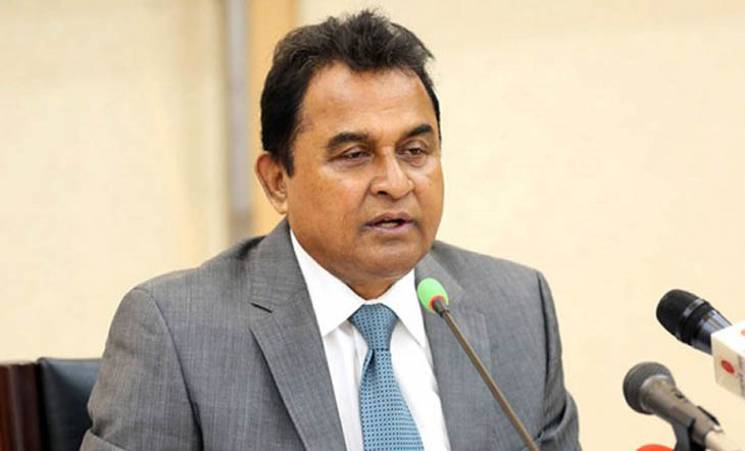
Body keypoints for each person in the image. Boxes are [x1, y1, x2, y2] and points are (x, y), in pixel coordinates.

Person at [81, 10, 580, 451]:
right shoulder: (177, 332)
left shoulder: (517, 308)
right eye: (355, 155)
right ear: (277, 181)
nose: (395, 183)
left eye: (415, 151)